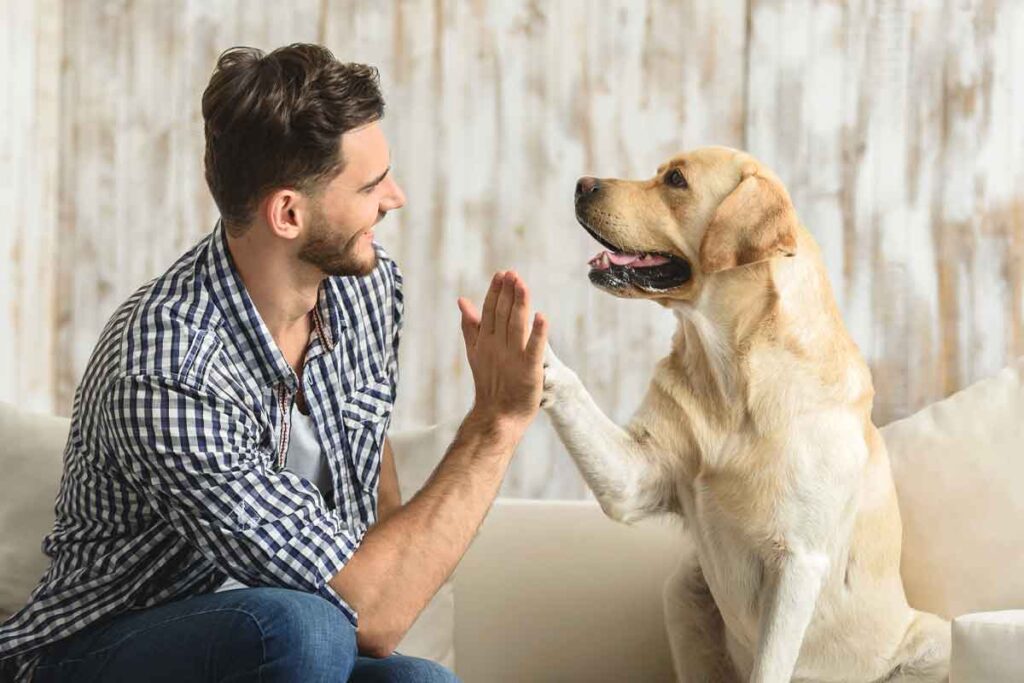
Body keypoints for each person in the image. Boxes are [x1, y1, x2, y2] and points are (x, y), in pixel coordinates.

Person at [0, 43, 547, 683]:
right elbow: (370, 611)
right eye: (370, 185)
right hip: (96, 652)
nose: (394, 198)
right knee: (300, 627)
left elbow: (371, 481)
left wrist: (390, 586)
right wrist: (497, 422)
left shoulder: (366, 289)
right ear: (288, 213)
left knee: (421, 681)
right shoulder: (165, 361)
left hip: (287, 650)